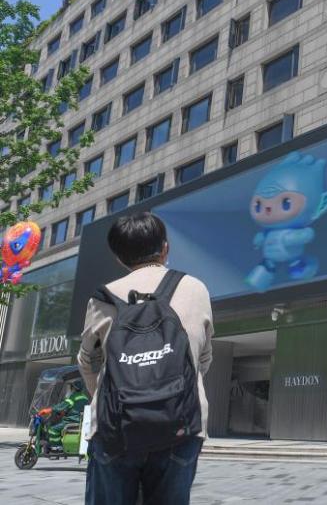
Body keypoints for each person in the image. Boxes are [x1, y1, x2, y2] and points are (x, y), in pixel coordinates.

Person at [78, 212, 213, 505]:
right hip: (181, 425)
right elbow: (202, 359)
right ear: (165, 248)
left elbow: (87, 360)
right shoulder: (196, 288)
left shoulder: (103, 297)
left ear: (119, 258)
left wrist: (106, 397)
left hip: (115, 428)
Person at [46, 380, 89, 452]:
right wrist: (65, 413)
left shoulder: (73, 397)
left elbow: (61, 406)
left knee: (52, 430)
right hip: (80, 421)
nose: (70, 389)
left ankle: (57, 447)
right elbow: (76, 409)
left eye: (71, 387)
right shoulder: (85, 397)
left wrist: (48, 410)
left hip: (71, 421)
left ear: (74, 388)